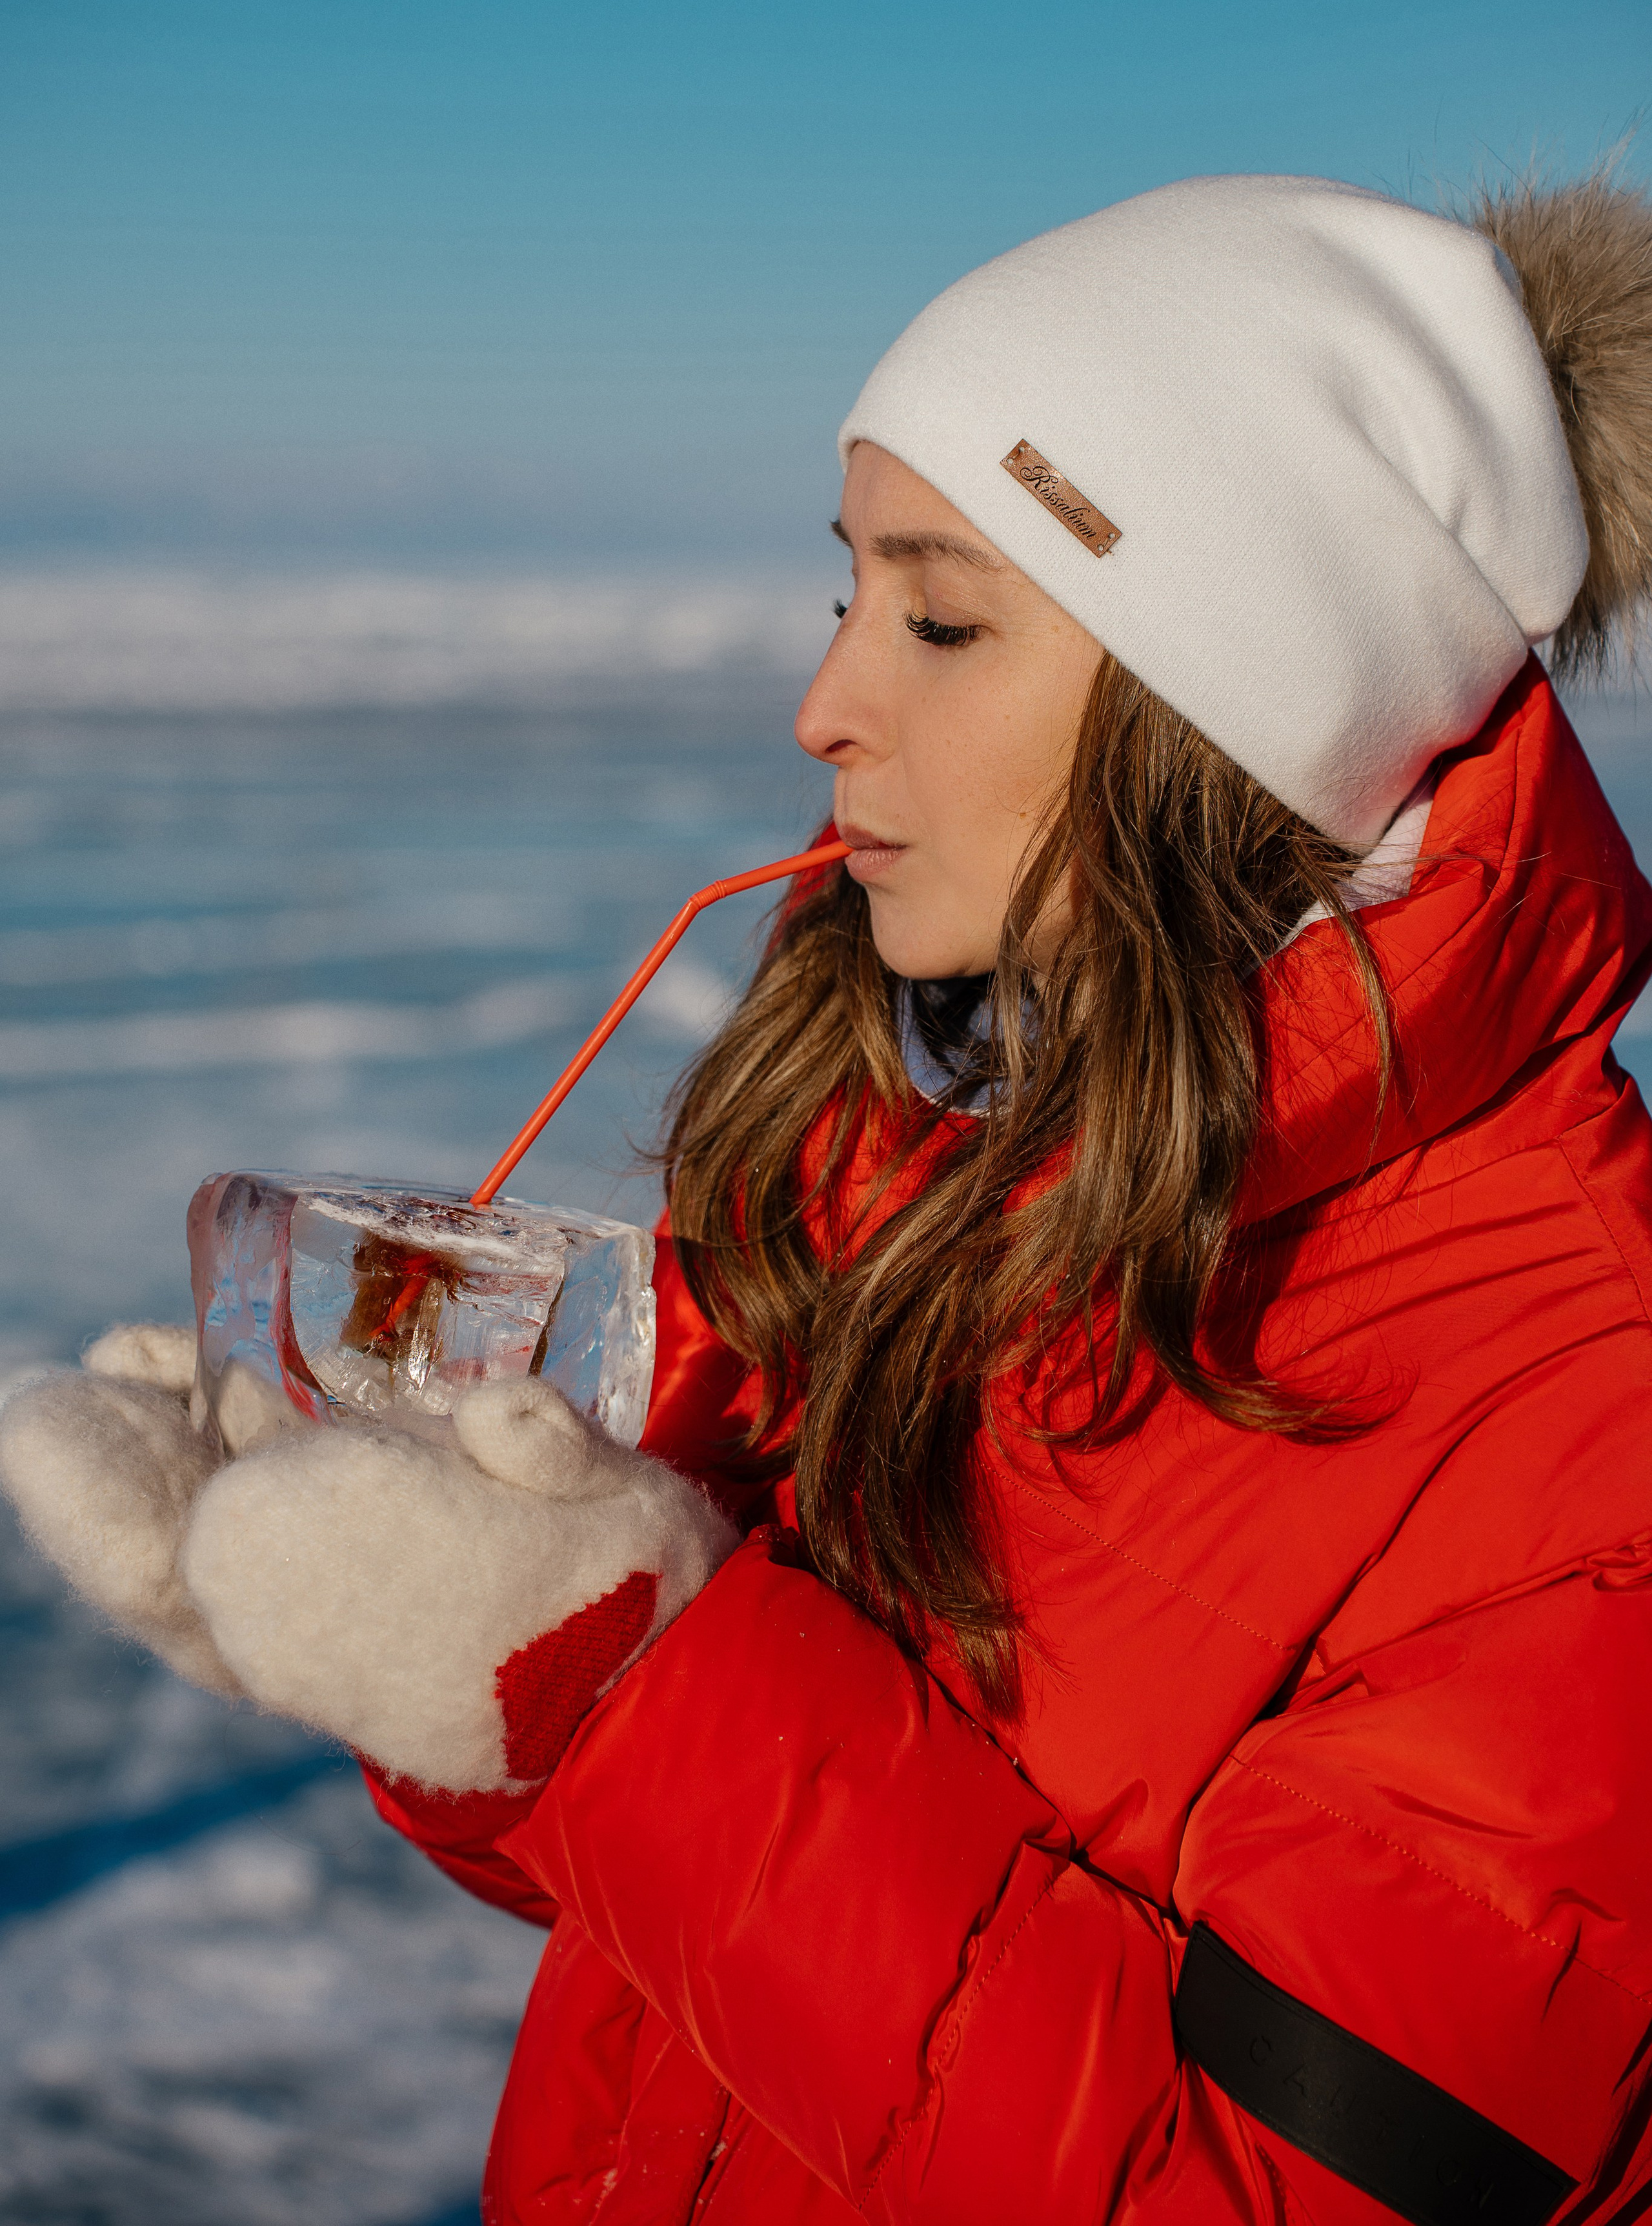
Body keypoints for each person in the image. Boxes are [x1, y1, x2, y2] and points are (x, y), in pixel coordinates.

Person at [6, 168, 1652, 2223]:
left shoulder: (1587, 1435)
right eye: (843, 593)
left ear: (1227, 721)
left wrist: (626, 1678)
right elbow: (703, 1916)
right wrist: (411, 1637)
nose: (827, 705)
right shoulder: (932, 1176)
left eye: (942, 616)